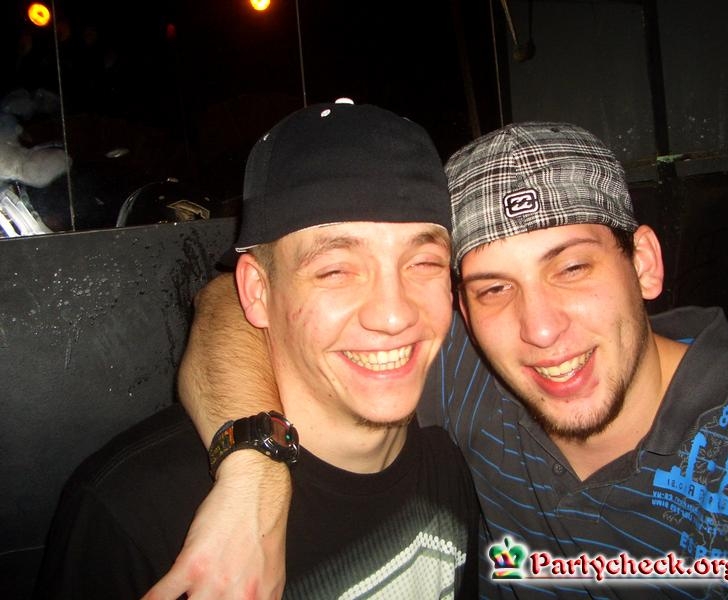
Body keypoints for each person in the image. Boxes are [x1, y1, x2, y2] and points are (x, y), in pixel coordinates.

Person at [148, 122, 728, 599]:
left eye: (572, 268)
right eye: (494, 288)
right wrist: (253, 471)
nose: (540, 329)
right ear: (462, 307)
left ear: (645, 264)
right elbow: (234, 304)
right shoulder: (470, 374)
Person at [34, 99, 480, 599]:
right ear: (257, 291)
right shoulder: (136, 516)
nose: (394, 315)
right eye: (335, 271)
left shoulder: (453, 461)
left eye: (424, 263)